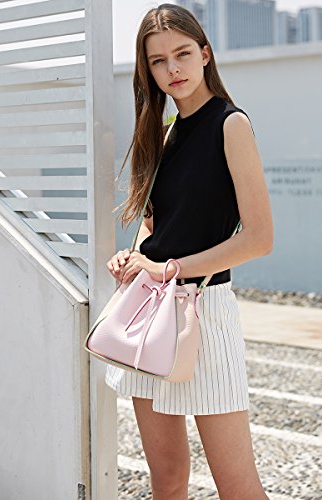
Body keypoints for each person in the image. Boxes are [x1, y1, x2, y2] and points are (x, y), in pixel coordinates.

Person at [104, 4, 273, 499]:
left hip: (205, 311)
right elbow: (154, 226)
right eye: (158, 61)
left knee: (237, 487)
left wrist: (167, 268)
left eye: (181, 54)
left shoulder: (231, 124)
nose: (172, 69)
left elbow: (259, 238)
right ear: (147, 70)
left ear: (205, 54)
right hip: (149, 311)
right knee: (168, 478)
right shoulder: (162, 133)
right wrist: (134, 257)